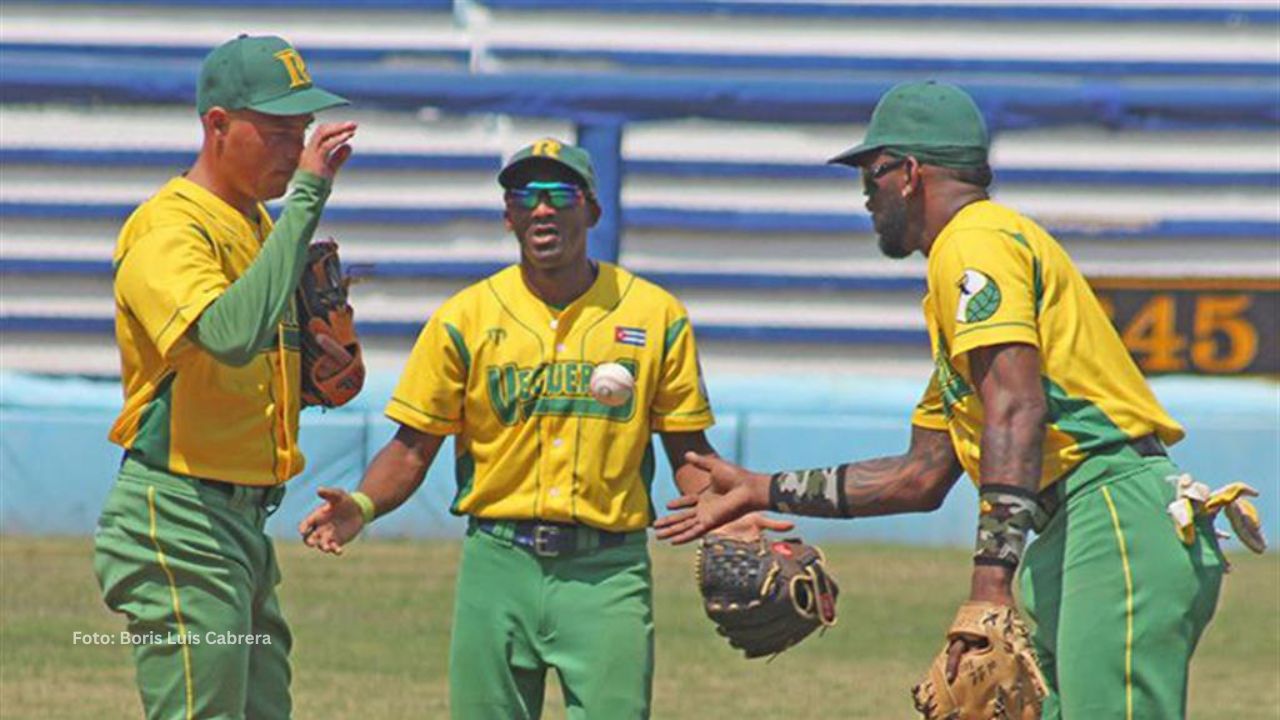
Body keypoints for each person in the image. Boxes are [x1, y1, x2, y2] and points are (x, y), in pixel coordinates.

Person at [655, 81, 1226, 719]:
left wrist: (989, 587)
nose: (865, 195)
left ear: (908, 172)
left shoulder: (973, 240)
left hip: (1114, 516)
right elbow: (918, 477)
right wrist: (762, 489)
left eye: (871, 175)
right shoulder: (962, 292)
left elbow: (1019, 408)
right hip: (1076, 526)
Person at [299, 138, 788, 720]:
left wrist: (729, 511)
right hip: (497, 567)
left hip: (607, 574)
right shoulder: (465, 318)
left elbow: (687, 449)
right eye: (525, 195)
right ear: (508, 215)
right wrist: (360, 504)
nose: (543, 208)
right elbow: (412, 448)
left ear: (592, 210)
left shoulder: (655, 316)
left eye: (560, 193)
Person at [92, 34, 356, 719]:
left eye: (301, 130)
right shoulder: (169, 228)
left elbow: (250, 363)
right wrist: (306, 201)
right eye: (275, 131)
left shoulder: (260, 225)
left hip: (242, 523)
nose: (295, 150)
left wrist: (318, 375)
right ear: (217, 125)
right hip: (180, 514)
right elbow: (230, 337)